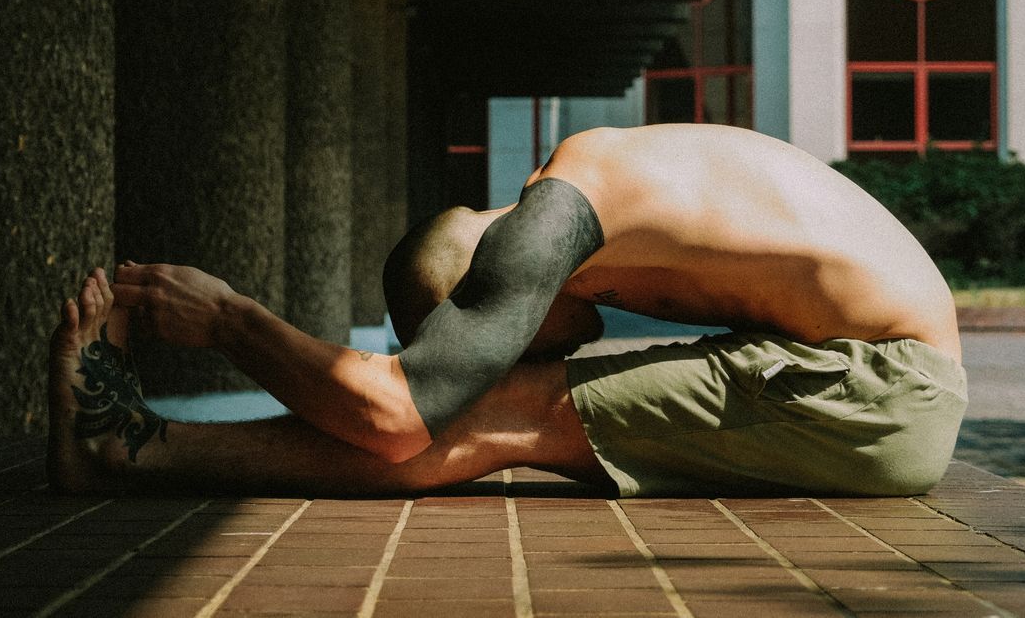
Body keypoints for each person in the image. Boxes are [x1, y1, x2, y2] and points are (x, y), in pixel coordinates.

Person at [48, 124, 965, 498]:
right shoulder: (595, 186)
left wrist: (231, 320)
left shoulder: (551, 221)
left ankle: (127, 450)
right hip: (867, 380)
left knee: (497, 417)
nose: (511, 349)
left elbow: (398, 413)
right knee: (503, 409)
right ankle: (134, 445)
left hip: (883, 388)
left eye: (487, 338)